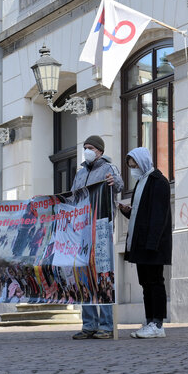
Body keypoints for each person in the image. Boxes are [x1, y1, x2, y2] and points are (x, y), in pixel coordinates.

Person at [70, 135, 123, 340]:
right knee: (85, 276)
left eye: (90, 147)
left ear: (100, 150)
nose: (87, 150)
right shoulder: (80, 173)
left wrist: (113, 181)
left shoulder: (109, 168)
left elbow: (119, 185)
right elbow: (74, 198)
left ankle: (107, 325)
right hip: (82, 230)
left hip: (101, 227)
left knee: (102, 276)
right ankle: (89, 324)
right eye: (85, 147)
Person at [118, 147, 172, 339]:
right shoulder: (142, 182)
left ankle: (158, 323)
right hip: (141, 243)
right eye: (130, 166)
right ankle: (150, 321)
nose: (133, 169)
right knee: (146, 283)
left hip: (152, 244)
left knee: (155, 282)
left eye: (134, 165)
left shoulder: (158, 182)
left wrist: (152, 244)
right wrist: (127, 211)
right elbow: (141, 213)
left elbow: (159, 216)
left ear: (142, 163)